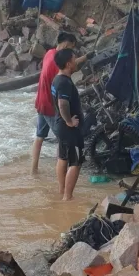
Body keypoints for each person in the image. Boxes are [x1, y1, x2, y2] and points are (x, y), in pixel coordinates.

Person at [31, 32, 89, 173]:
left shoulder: (50, 54)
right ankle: (61, 171)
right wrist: (68, 121)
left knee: (40, 136)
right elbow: (67, 70)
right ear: (64, 44)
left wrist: (84, 58)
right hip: (51, 106)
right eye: (70, 47)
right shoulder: (56, 66)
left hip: (40, 101)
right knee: (62, 138)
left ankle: (34, 170)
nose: (70, 51)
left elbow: (67, 64)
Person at [51, 48, 84, 201]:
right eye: (74, 58)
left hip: (59, 125)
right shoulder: (64, 82)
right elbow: (63, 104)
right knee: (75, 162)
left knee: (63, 158)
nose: (76, 61)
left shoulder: (57, 79)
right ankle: (67, 198)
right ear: (68, 63)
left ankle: (62, 191)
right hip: (68, 128)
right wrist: (70, 121)